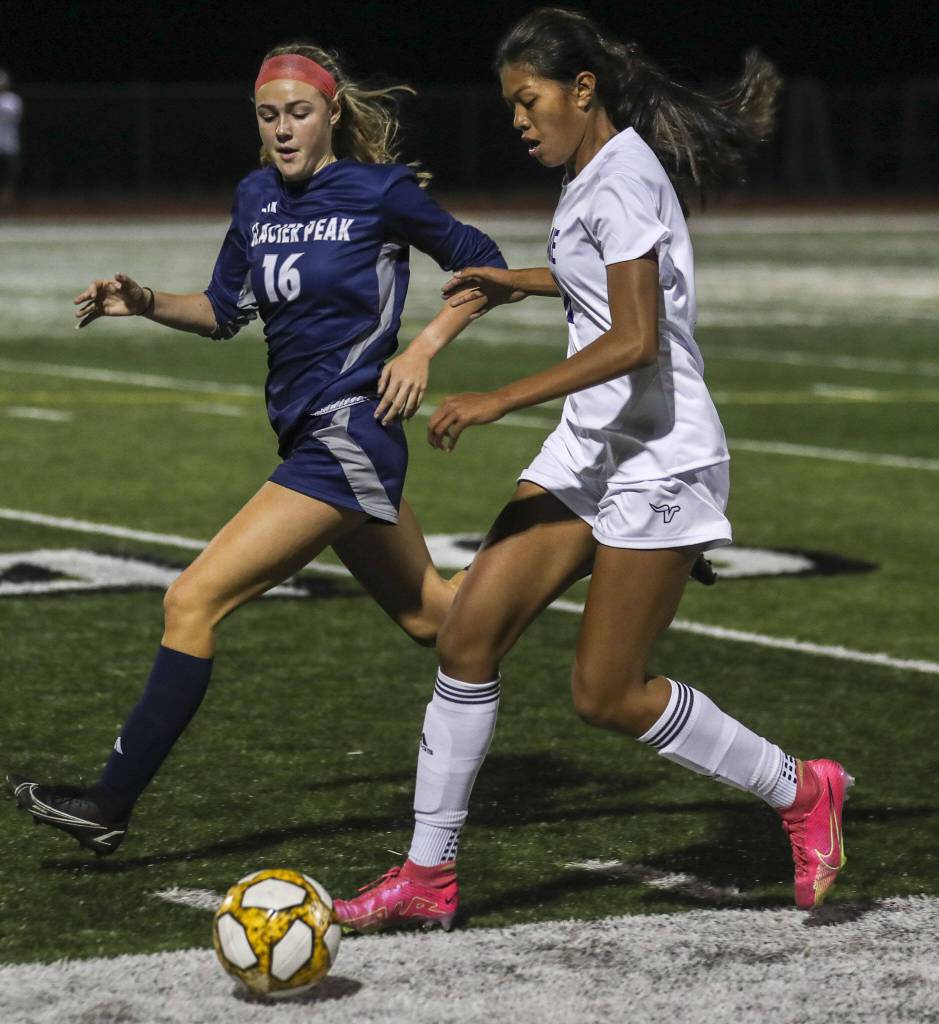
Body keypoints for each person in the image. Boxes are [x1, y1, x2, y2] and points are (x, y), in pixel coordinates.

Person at [334, 8, 853, 932]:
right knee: (466, 638)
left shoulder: (618, 180)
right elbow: (601, 279)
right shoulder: (591, 175)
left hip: (659, 454)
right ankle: (427, 874)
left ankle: (800, 789)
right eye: (510, 108)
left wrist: (499, 397)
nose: (520, 121)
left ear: (582, 91)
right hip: (592, 446)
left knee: (604, 693)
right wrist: (516, 281)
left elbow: (637, 335)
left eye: (529, 102)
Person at [6, 42, 507, 856]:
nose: (282, 130)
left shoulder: (380, 191)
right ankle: (591, 542)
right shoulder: (255, 198)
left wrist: (420, 351)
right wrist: (143, 301)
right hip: (313, 435)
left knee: (191, 601)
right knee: (436, 619)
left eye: (298, 113)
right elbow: (221, 310)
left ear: (333, 112)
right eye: (268, 115)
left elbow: (483, 264)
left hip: (349, 434)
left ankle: (109, 803)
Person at [0, 68, 22, 215]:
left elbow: (10, 115)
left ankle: (6, 210)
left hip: (9, 146)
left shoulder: (12, 100)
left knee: (8, 181)